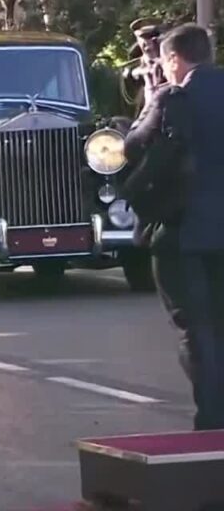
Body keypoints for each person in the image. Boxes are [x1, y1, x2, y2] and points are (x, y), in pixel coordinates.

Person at [144, 24, 224, 430]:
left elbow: (136, 150)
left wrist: (150, 102)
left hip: (186, 230)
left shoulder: (174, 99)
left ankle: (212, 421)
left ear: (174, 59)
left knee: (197, 329)